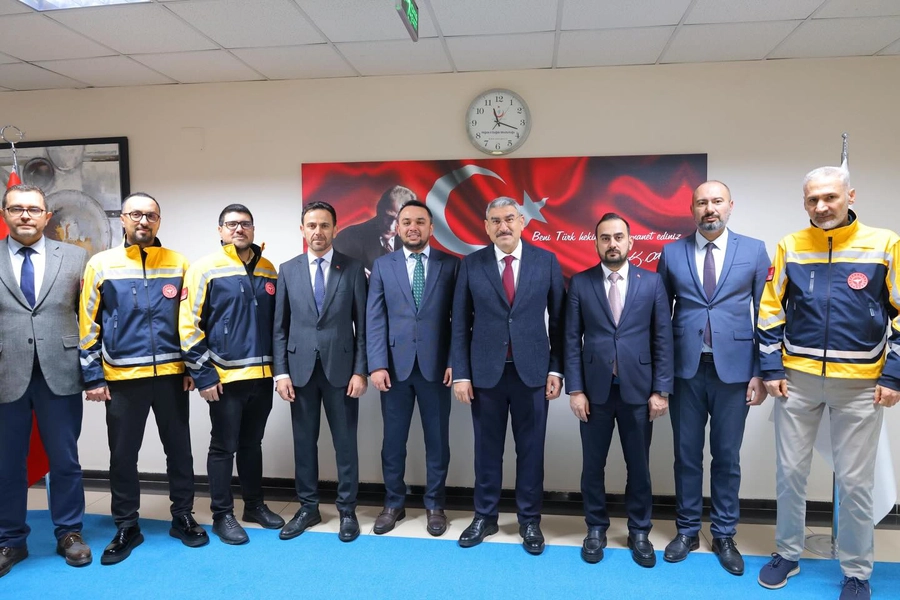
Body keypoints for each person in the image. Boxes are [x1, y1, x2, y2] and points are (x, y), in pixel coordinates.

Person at [756, 166, 900, 600]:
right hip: (797, 381)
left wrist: (894, 374)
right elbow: (770, 309)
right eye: (812, 199)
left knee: (855, 483)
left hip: (860, 385)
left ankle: (856, 571)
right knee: (789, 474)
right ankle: (788, 553)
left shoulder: (884, 244)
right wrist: (772, 369)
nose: (821, 206)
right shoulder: (791, 245)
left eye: (830, 197)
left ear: (850, 196)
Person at [80, 192, 208, 565]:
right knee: (123, 456)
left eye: (150, 215)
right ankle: (126, 526)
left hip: (171, 376)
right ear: (122, 219)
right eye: (135, 214)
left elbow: (191, 320)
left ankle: (183, 517)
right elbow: (87, 324)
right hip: (122, 378)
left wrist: (191, 368)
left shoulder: (178, 263)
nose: (143, 221)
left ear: (159, 220)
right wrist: (93, 377)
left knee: (180, 452)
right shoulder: (101, 264)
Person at [655, 181, 770, 575]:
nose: (710, 208)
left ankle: (723, 534)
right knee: (686, 456)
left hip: (735, 373)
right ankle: (687, 530)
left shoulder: (754, 250)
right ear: (692, 209)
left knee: (726, 457)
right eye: (702, 202)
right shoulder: (671, 253)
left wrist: (761, 372)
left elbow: (765, 314)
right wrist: (661, 378)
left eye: (717, 201)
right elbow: (659, 319)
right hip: (685, 371)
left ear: (730, 206)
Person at [451, 197, 565, 556]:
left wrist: (556, 368)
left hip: (533, 373)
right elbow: (459, 324)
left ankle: (529, 520)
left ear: (522, 222)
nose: (503, 226)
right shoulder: (471, 265)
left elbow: (560, 323)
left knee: (531, 451)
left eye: (510, 219)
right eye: (496, 220)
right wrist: (461, 374)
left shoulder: (546, 262)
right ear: (486, 227)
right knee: (487, 451)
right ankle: (485, 516)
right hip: (486, 375)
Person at [565, 212, 673, 567]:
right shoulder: (580, 283)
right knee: (592, 466)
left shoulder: (652, 283)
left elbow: (662, 339)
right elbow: (571, 340)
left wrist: (661, 390)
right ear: (596, 243)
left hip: (640, 392)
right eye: (605, 238)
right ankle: (595, 528)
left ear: (630, 241)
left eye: (618, 237)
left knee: (639, 466)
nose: (612, 244)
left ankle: (639, 531)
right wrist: (575, 390)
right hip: (594, 392)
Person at [179, 204, 284, 545]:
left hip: (262, 377)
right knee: (223, 447)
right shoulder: (204, 268)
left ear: (253, 229)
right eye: (232, 224)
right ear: (221, 230)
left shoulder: (268, 269)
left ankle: (254, 505)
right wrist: (204, 375)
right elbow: (188, 325)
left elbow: (278, 324)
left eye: (245, 224)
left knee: (252, 444)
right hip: (223, 379)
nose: (239, 229)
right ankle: (222, 514)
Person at [0, 184, 90, 577]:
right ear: (5, 214)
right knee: (6, 463)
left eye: (33, 209)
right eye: (16, 208)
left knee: (65, 460)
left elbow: (88, 317)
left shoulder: (75, 257)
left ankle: (69, 533)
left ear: (46, 216)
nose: (25, 215)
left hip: (61, 371)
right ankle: (10, 539)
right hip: (5, 373)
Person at [273, 201, 368, 543]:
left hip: (342, 372)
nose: (318, 232)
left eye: (324, 225)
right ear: (302, 229)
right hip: (299, 372)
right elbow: (279, 327)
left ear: (335, 229)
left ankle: (347, 510)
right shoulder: (288, 269)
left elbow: (363, 326)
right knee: (304, 443)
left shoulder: (352, 268)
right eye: (311, 225)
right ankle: (308, 507)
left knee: (345, 444)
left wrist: (361, 371)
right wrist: (281, 373)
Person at [366, 199, 459, 536]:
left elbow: (461, 319)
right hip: (394, 369)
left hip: (437, 369)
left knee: (438, 442)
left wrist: (454, 361)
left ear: (431, 227)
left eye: (420, 221)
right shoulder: (383, 266)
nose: (413, 228)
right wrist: (377, 364)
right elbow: (375, 318)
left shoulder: (451, 265)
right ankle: (394, 503)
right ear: (398, 227)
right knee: (393, 442)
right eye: (406, 222)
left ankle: (435, 505)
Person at [332, 184, 413, 272]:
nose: (391, 226)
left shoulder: (412, 241)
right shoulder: (347, 238)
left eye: (399, 220)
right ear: (379, 209)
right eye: (388, 216)